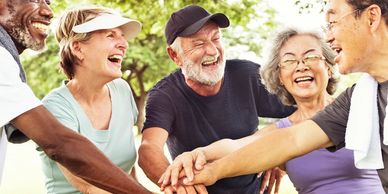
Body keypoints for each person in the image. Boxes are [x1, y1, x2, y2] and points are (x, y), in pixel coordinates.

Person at [168, 0, 388, 193]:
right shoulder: (355, 103)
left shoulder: (361, 105)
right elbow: (283, 141)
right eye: (290, 61)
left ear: (328, 67)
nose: (301, 67)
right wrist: (203, 160)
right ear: (280, 76)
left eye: (311, 56)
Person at [138, 4, 294, 194]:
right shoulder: (165, 95)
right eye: (198, 44)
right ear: (174, 55)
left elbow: (308, 110)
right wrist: (177, 184)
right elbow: (149, 149)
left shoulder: (247, 75)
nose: (212, 51)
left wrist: (282, 154)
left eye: (216, 39)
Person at [0, 1, 150, 193]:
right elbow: (84, 182)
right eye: (110, 35)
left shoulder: (122, 91)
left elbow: (126, 172)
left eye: (122, 36)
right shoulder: (55, 106)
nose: (124, 44)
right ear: (78, 49)